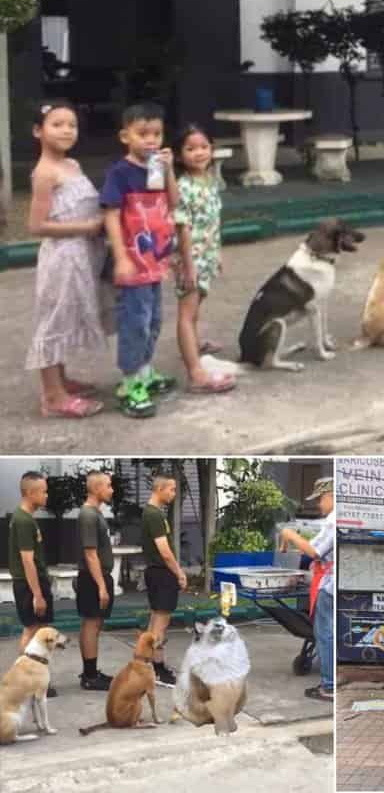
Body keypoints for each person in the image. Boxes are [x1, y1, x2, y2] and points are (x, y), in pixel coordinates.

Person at [25, 100, 106, 418]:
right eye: (57, 124)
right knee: (53, 321)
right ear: (38, 131)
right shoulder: (44, 173)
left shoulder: (73, 165)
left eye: (71, 124)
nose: (66, 130)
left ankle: (61, 379)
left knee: (68, 315)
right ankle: (53, 396)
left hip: (83, 255)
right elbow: (36, 225)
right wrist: (86, 227)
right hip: (62, 256)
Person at [100, 102, 178, 418]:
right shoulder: (120, 173)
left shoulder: (157, 168)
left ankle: (145, 372)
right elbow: (111, 215)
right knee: (135, 323)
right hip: (133, 264)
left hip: (155, 262)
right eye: (142, 133)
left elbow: (175, 202)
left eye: (156, 134)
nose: (151, 140)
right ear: (125, 135)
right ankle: (129, 383)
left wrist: (170, 169)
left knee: (154, 320)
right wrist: (120, 258)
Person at [171, 124, 235, 394]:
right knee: (187, 313)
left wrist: (216, 253)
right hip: (191, 258)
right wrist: (188, 264)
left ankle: (194, 346)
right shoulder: (183, 186)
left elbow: (212, 220)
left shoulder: (208, 179)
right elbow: (182, 227)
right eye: (191, 148)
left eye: (204, 147)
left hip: (206, 254)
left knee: (196, 309)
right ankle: (196, 373)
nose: (199, 153)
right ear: (178, 155)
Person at [278, 476, 335, 700]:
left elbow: (314, 552)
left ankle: (329, 686)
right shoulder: (332, 520)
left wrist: (291, 535)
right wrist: (291, 539)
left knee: (324, 635)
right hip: (327, 582)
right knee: (325, 634)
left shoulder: (334, 520)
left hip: (329, 585)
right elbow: (311, 548)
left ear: (330, 496)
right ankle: (329, 682)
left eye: (320, 499)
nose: (318, 504)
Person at [8, 471, 57, 696]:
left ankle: (33, 682)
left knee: (37, 629)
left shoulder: (24, 518)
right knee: (32, 630)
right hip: (29, 584)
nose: (46, 495)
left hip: (32, 582)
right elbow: (27, 560)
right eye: (43, 491)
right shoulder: (23, 520)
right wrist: (37, 594)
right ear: (29, 493)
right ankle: (26, 681)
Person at [141, 472, 186, 685]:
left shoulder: (152, 512)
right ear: (159, 489)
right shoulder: (155, 515)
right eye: (172, 489)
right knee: (160, 623)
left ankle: (148, 664)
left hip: (155, 572)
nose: (174, 494)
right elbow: (165, 551)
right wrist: (179, 573)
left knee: (155, 621)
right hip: (162, 573)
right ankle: (158, 670)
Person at [76, 471, 116, 690]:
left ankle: (90, 672)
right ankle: (90, 677)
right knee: (91, 624)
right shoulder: (88, 515)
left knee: (94, 623)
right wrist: (101, 586)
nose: (112, 489)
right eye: (108, 486)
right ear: (97, 488)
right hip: (92, 578)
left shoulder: (95, 513)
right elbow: (90, 554)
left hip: (99, 577)